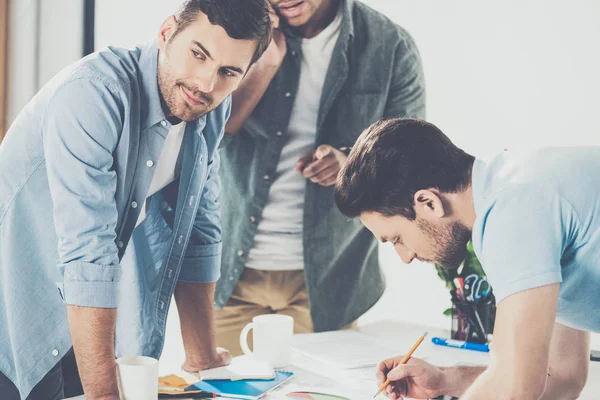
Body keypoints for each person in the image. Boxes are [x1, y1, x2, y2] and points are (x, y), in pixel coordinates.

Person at [0, 1, 271, 399]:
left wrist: (202, 357)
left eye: (228, 72)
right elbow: (88, 253)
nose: (207, 83)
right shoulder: (94, 95)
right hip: (16, 305)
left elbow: (199, 228)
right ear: (166, 32)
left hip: (83, 315)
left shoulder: (210, 106)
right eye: (199, 54)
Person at [214, 0, 426, 354]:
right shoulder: (238, 28)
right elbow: (212, 132)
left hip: (327, 281)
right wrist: (265, 60)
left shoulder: (389, 45)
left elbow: (414, 160)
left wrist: (351, 165)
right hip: (228, 275)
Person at [335, 118, 595, 399]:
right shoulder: (516, 186)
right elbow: (562, 375)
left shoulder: (512, 213)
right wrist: (446, 379)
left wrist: (505, 380)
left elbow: (517, 387)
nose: (405, 256)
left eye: (397, 238)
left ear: (428, 203)